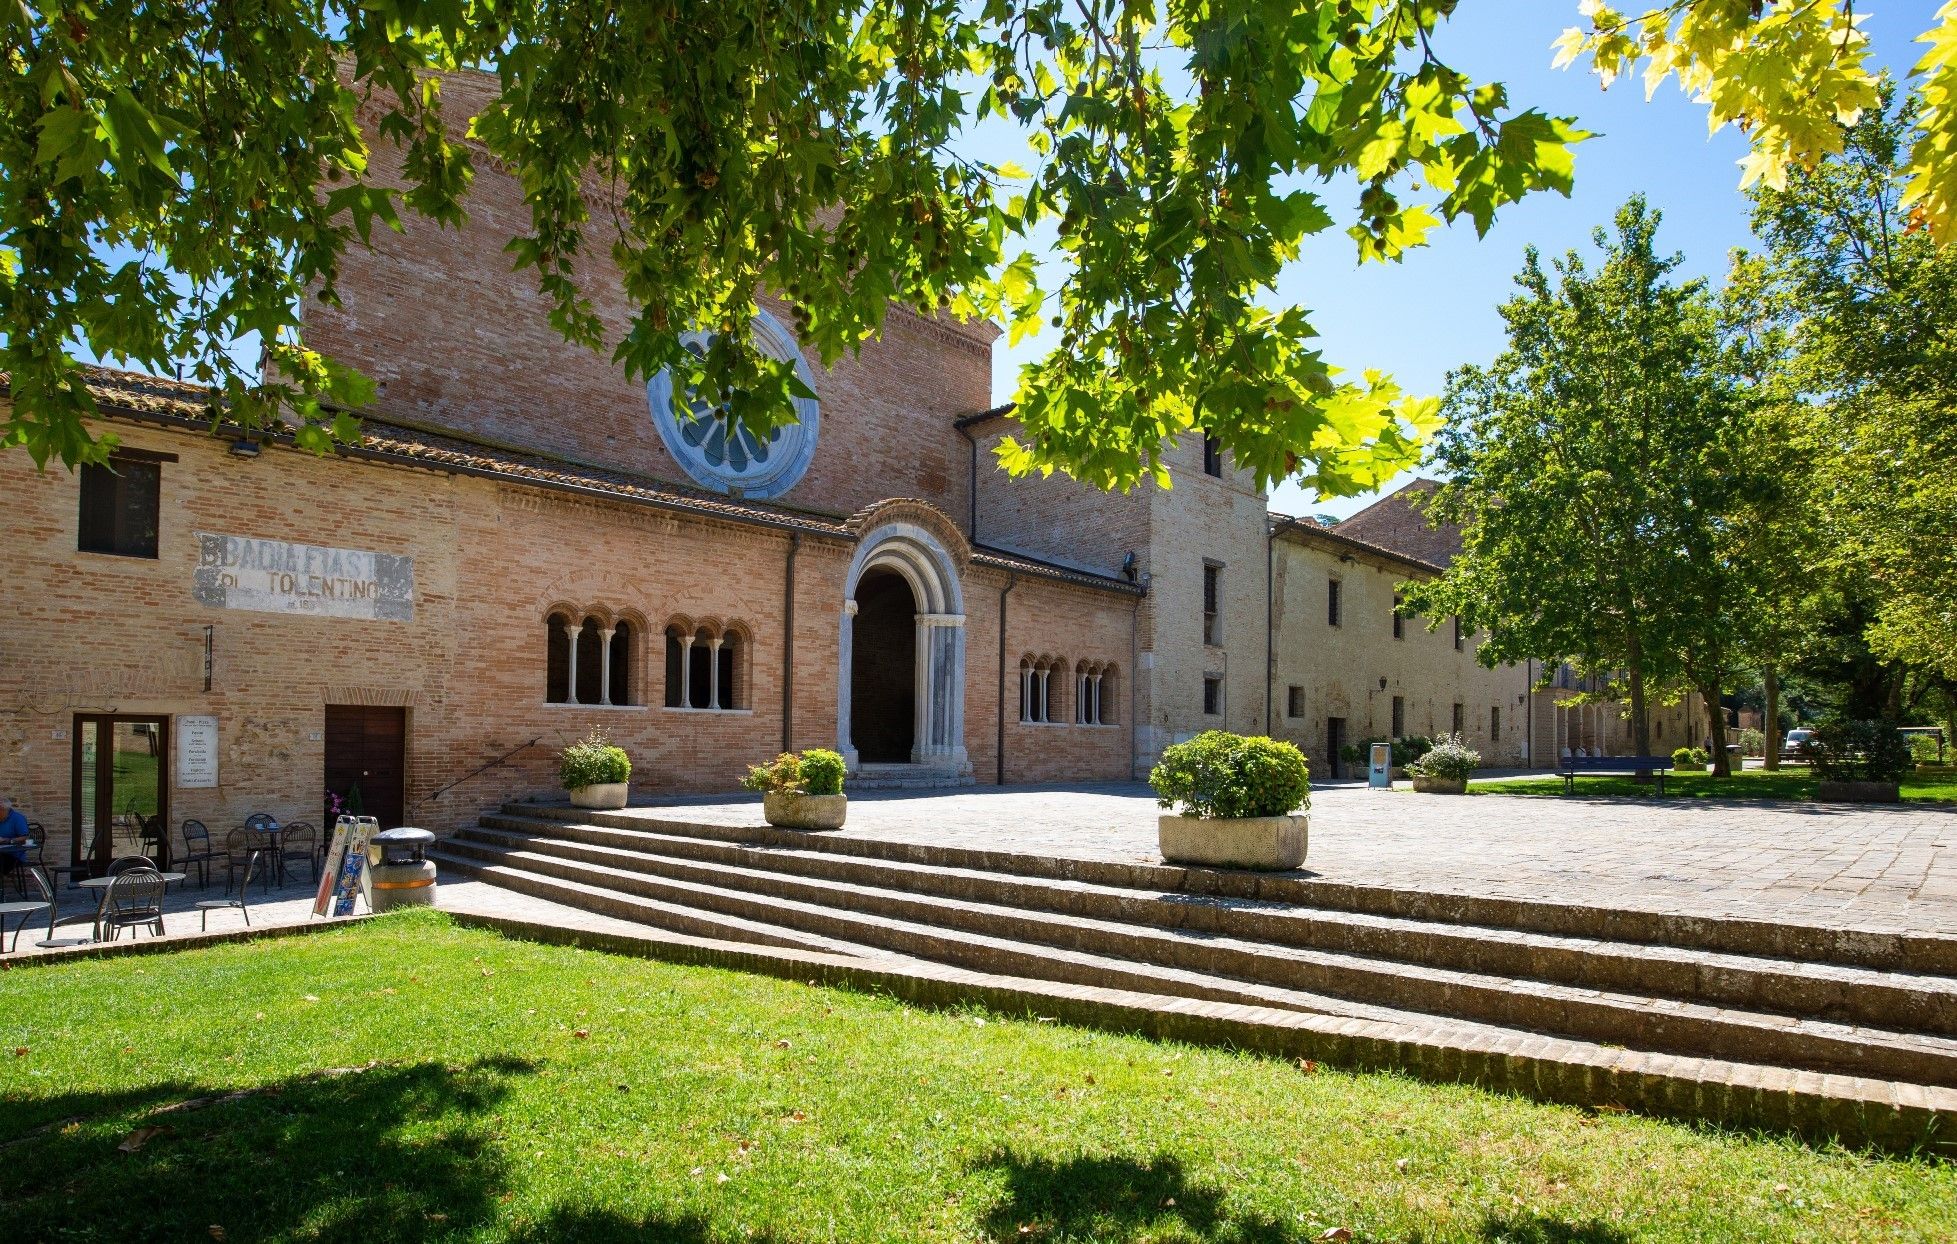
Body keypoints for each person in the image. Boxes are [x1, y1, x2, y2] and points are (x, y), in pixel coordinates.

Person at [0, 795, 31, 874]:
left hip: (13, 855)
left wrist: (8, 840)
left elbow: (25, 837)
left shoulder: (17, 818)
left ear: (4, 810)